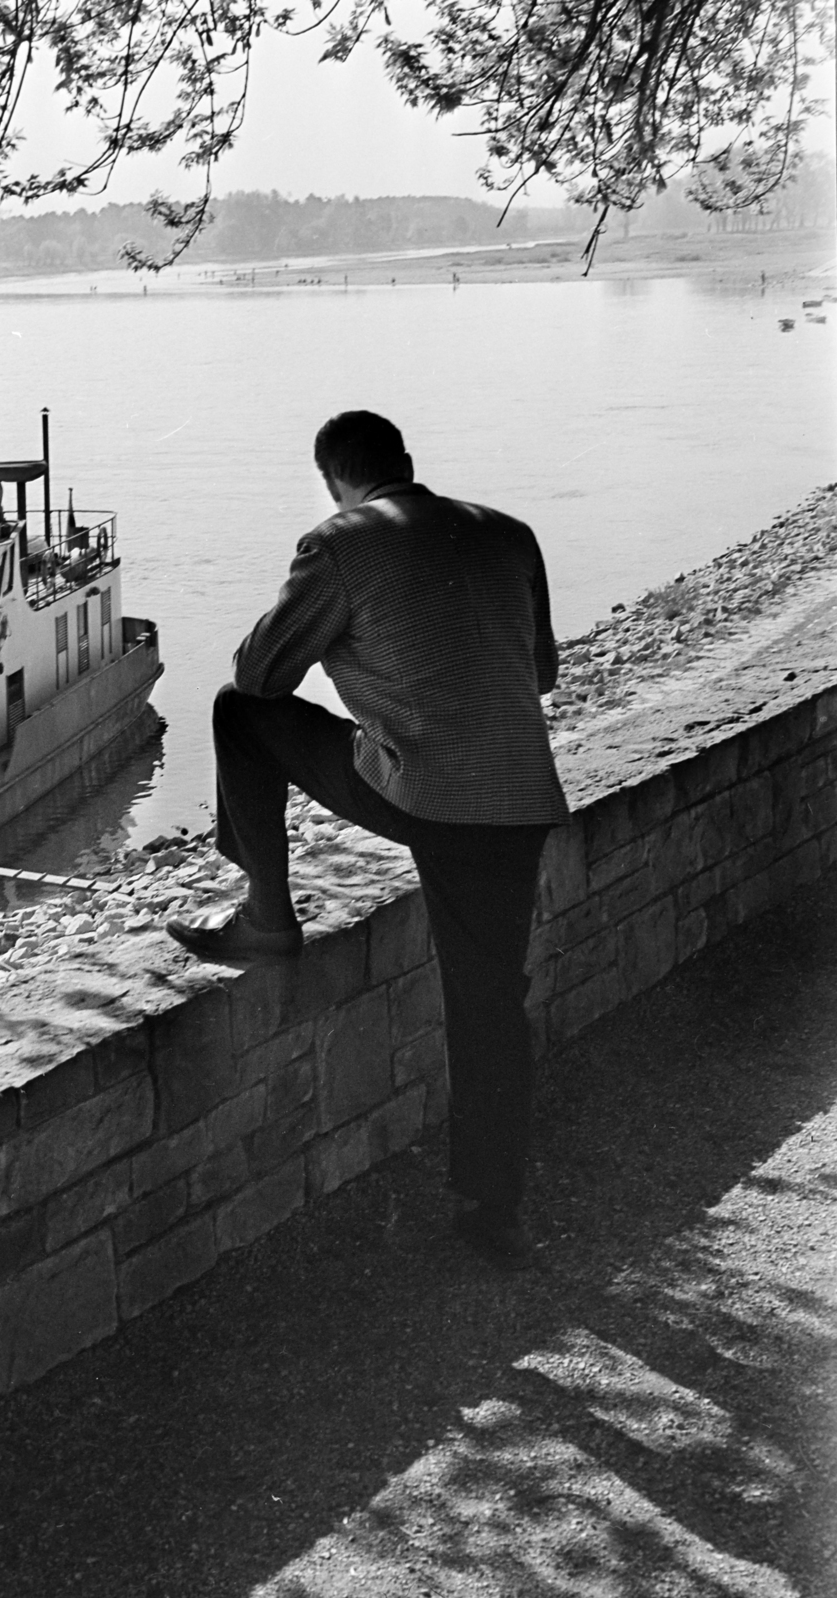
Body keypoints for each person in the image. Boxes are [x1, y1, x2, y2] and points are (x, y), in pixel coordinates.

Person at [167, 411, 568, 1269]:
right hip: (519, 795)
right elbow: (539, 673)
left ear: (333, 479)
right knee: (490, 1001)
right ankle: (491, 1214)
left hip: (422, 791)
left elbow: (256, 674)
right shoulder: (511, 533)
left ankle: (266, 916)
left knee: (239, 716)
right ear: (407, 463)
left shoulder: (339, 543)